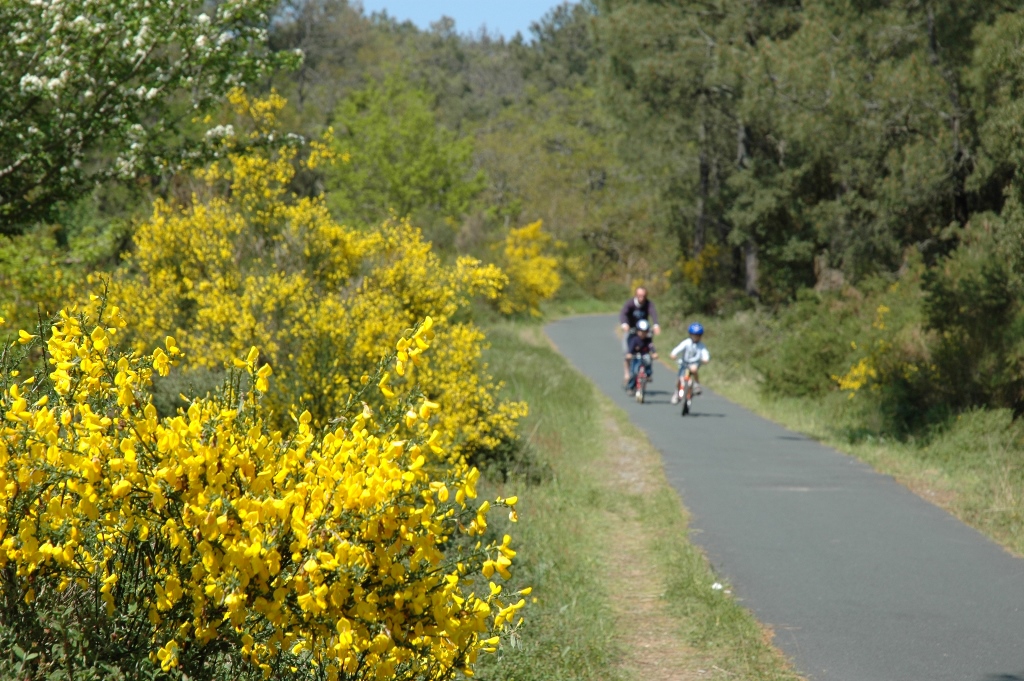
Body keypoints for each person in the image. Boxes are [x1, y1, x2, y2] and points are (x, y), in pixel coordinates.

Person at [620, 286, 660, 383]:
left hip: (644, 331)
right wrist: (625, 324)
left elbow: (653, 313)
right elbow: (623, 313)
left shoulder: (648, 304)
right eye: (639, 296)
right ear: (635, 295)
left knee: (648, 350)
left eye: (643, 296)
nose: (641, 298)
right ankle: (627, 374)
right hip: (631, 330)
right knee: (628, 353)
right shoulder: (630, 303)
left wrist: (656, 325)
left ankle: (647, 372)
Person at [670, 322, 710, 405]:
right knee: (680, 379)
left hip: (694, 363)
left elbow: (705, 355)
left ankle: (696, 384)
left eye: (697, 336)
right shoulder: (686, 342)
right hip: (684, 363)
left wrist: (705, 359)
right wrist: (673, 354)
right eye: (694, 335)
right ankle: (677, 393)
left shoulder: (701, 345)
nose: (695, 337)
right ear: (690, 335)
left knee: (693, 369)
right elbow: (677, 349)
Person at [626, 319, 658, 393]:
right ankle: (631, 387)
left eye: (645, 332)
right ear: (638, 331)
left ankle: (648, 374)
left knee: (648, 360)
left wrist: (654, 353)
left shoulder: (648, 340)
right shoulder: (635, 340)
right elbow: (631, 349)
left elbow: (651, 346)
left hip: (644, 356)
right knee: (634, 372)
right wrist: (629, 354)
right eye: (641, 332)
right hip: (636, 357)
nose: (643, 334)